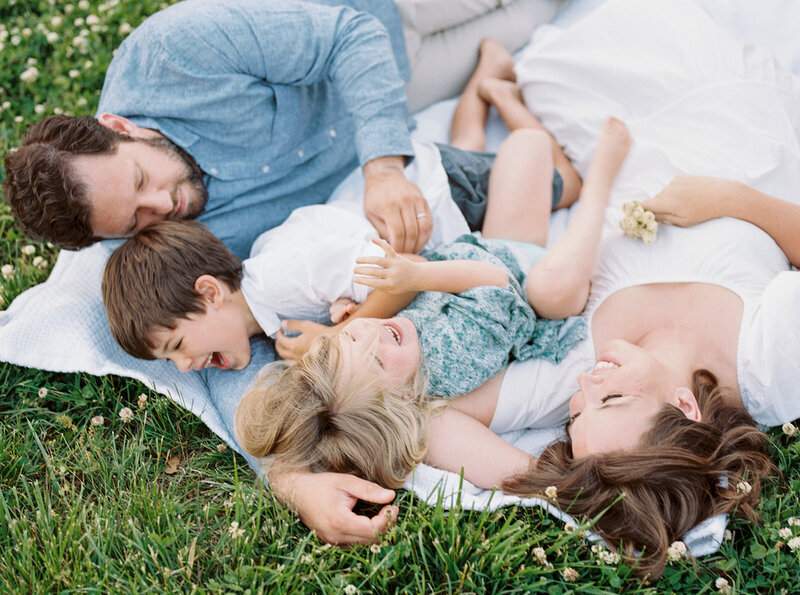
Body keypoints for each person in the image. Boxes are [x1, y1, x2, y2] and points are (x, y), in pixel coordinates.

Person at [232, 117, 630, 495]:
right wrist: (417, 278)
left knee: (515, 148)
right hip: (517, 268)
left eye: (353, 337)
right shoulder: (453, 357)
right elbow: (496, 281)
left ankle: (489, 92)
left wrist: (349, 310)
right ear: (401, 402)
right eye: (377, 361)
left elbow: (380, 321)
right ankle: (602, 180)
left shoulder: (393, 351)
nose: (375, 334)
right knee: (552, 280)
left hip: (479, 244)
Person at [2, 0, 427, 258]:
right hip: (415, 105)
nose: (163, 205)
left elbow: (352, 36)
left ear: (119, 126)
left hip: (387, 22)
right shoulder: (151, 249)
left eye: (141, 178)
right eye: (136, 220)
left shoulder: (178, 49)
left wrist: (384, 169)